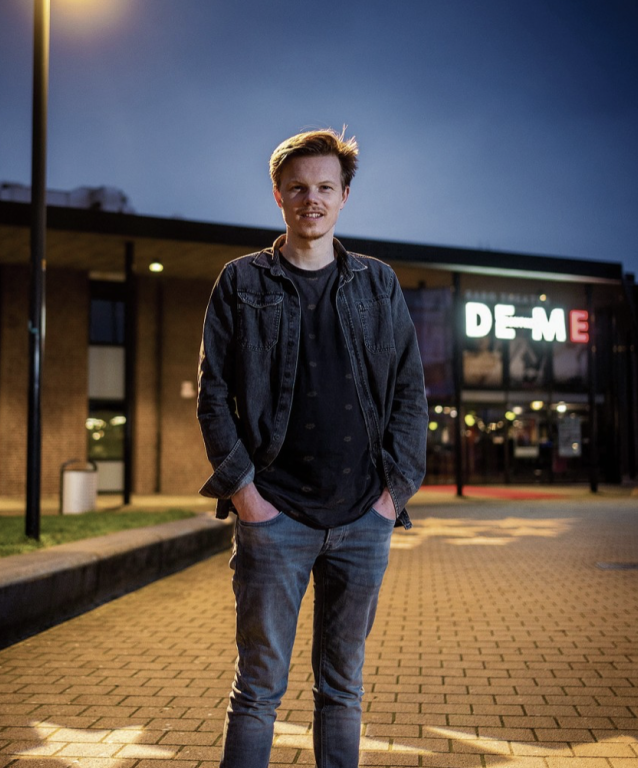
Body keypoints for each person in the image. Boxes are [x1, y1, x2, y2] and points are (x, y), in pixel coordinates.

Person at [197, 129, 428, 768]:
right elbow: (213, 395)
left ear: (345, 196)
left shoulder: (378, 285)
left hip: (363, 518)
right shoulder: (241, 282)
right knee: (258, 691)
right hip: (275, 519)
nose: (312, 199)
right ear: (278, 196)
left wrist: (391, 496)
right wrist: (246, 497)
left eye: (325, 187)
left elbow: (411, 391)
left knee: (343, 688)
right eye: (298, 188)